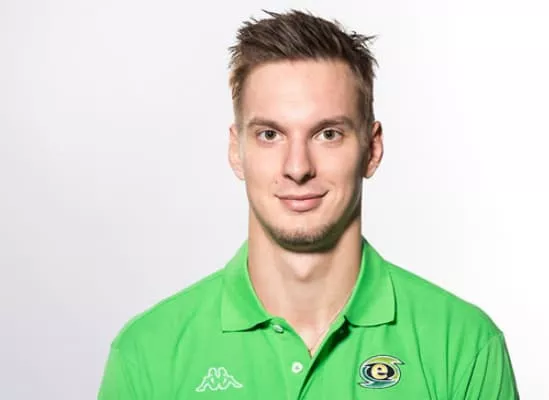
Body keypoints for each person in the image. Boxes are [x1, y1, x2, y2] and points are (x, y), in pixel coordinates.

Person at [98, 9, 519, 399]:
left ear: (372, 150)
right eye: (270, 135)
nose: (297, 167)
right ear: (236, 151)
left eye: (328, 134)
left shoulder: (462, 345)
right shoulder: (147, 352)